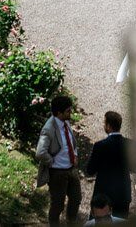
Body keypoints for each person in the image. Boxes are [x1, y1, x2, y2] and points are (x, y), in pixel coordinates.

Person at [36, 96, 82, 226]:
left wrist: (75, 155)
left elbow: (72, 142)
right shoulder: (48, 129)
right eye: (68, 111)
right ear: (58, 113)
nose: (70, 113)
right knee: (57, 204)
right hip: (57, 173)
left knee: (76, 198)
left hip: (71, 169)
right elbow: (40, 152)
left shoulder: (65, 122)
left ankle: (71, 222)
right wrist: (52, 162)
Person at [85, 111, 131, 218]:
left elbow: (90, 170)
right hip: (123, 192)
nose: (103, 125)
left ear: (109, 126)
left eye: (104, 123)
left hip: (104, 194)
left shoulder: (100, 146)